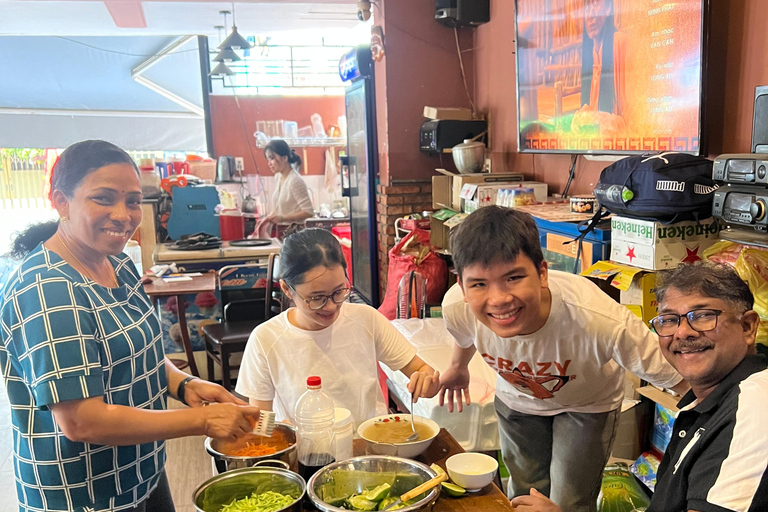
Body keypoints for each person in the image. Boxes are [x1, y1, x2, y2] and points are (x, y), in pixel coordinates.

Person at [0, 140, 262, 512]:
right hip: (84, 496)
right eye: (104, 198)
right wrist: (201, 419)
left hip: (139, 471)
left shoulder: (116, 263)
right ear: (61, 202)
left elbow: (141, 350)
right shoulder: (47, 289)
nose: (123, 215)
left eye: (133, 201)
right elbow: (81, 421)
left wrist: (184, 384)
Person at [438, 206, 686, 512]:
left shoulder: (599, 319)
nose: (499, 299)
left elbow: (680, 378)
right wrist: (457, 367)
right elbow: (465, 336)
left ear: (542, 273)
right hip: (516, 402)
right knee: (523, 493)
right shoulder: (456, 307)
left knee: (569, 501)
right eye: (479, 284)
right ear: (461, 285)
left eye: (513, 278)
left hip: (587, 406)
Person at [512, 262, 768, 512]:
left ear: (747, 326)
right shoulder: (709, 399)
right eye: (669, 320)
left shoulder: (754, 407)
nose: (682, 333)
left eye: (702, 316)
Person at [236, 228, 441, 425]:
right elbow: (261, 421)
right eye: (317, 298)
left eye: (339, 291)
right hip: (308, 454)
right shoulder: (266, 339)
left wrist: (427, 381)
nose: (332, 306)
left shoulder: (367, 319)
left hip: (367, 449)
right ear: (286, 289)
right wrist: (283, 431)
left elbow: (423, 371)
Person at [580, 0, 627, 117]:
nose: (590, 15)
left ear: (608, 9)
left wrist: (601, 123)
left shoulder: (620, 42)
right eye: (586, 9)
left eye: (595, 4)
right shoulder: (589, 54)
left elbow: (631, 114)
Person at [258, 139, 314, 231]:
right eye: (268, 159)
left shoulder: (295, 181)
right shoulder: (278, 177)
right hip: (282, 231)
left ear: (284, 158)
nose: (269, 164)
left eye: (272, 158)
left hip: (295, 233)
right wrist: (265, 220)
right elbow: (278, 209)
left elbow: (308, 212)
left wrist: (283, 218)